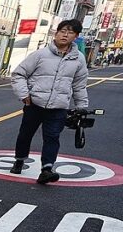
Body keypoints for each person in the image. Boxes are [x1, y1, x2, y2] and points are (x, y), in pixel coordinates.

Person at [8, 19, 89, 185]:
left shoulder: (79, 59)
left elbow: (79, 85)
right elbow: (18, 74)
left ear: (76, 36)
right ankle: (19, 160)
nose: (65, 35)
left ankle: (47, 169)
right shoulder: (40, 54)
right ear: (56, 33)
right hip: (34, 104)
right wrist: (24, 95)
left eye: (70, 32)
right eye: (62, 31)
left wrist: (82, 107)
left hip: (59, 107)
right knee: (25, 134)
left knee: (52, 137)